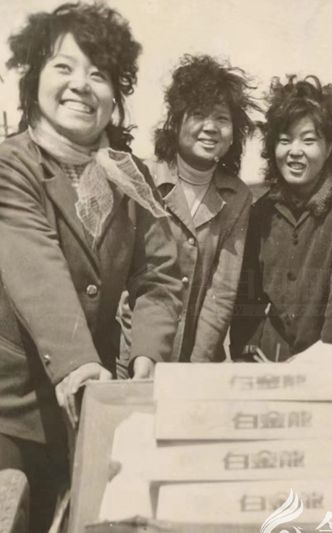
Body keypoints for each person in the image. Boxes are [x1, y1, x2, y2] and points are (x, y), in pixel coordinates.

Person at [0, 3, 181, 533]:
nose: (81, 85)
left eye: (99, 74)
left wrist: (147, 353)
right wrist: (79, 365)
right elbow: (36, 268)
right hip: (13, 410)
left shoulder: (128, 172)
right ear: (33, 80)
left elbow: (160, 274)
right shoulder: (12, 165)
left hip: (91, 408)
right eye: (63, 67)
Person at [118, 54, 256, 364]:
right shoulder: (142, 177)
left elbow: (222, 293)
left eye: (222, 118)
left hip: (195, 362)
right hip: (129, 355)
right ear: (176, 121)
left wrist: (194, 371)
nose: (210, 127)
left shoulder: (238, 197)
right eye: (198, 114)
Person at [230, 76, 332, 362]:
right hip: (267, 366)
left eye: (308, 140)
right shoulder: (261, 211)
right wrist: (247, 359)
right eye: (284, 140)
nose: (295, 151)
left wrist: (310, 370)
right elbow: (247, 305)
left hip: (329, 367)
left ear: (330, 147)